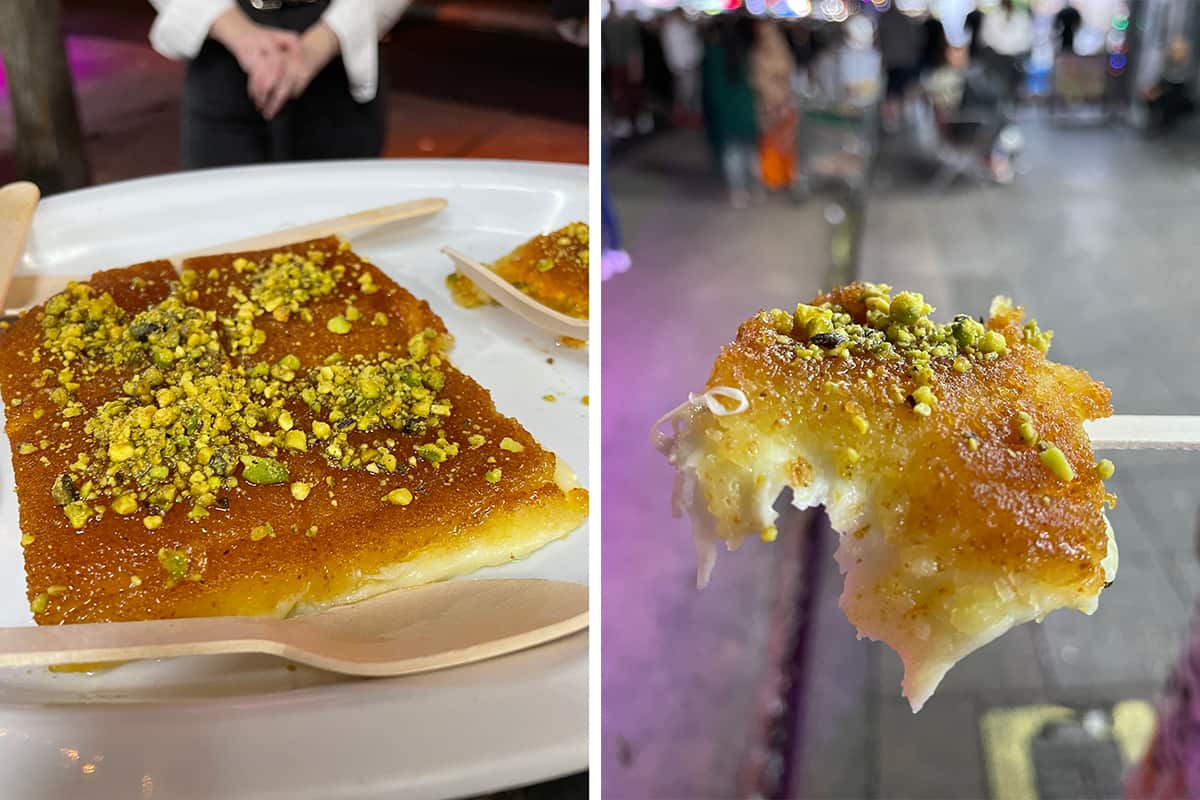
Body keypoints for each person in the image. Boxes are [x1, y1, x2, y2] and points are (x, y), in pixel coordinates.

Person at [148, 1, 411, 169]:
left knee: (339, 228)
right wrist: (239, 33)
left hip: (341, 53)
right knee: (219, 226)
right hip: (219, 49)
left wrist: (319, 44)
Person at [701, 18, 761, 208]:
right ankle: (756, 189)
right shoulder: (742, 53)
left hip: (726, 114)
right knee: (750, 153)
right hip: (745, 111)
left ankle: (739, 192)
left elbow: (711, 90)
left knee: (732, 154)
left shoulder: (713, 55)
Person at [750, 21, 797, 194]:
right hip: (774, 105)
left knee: (780, 143)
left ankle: (780, 178)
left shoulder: (761, 55)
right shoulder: (764, 55)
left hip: (776, 105)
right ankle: (777, 178)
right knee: (775, 144)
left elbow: (759, 81)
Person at [877, 5, 924, 129]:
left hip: (892, 61)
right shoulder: (905, 19)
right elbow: (915, 39)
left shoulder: (885, 19)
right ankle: (902, 117)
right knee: (903, 90)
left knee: (892, 92)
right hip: (905, 60)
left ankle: (893, 119)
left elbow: (881, 40)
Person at [980, 0, 1033, 101]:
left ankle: (1013, 97)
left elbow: (1027, 39)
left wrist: (1016, 51)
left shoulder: (1021, 17)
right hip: (998, 59)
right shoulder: (992, 17)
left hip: (1016, 59)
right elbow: (986, 38)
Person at [1144, 37, 1196, 135]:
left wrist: (1161, 91)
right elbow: (1161, 80)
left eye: (1179, 50)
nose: (1176, 53)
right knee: (1150, 95)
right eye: (1174, 50)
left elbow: (1181, 85)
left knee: (1170, 98)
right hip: (1166, 92)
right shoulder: (1166, 64)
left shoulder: (1187, 66)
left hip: (1179, 97)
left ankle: (1164, 126)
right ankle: (1155, 124)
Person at [660, 10, 704, 127]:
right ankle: (685, 117)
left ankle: (691, 117)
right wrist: (676, 65)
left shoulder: (683, 24)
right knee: (686, 92)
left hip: (690, 62)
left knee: (692, 92)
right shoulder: (671, 26)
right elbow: (671, 49)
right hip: (683, 65)